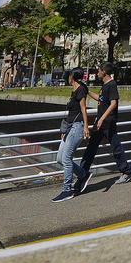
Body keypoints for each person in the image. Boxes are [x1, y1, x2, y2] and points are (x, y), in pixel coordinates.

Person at [76, 62, 131, 191]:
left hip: (108, 122)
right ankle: (82, 174)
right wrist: (87, 91)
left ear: (104, 72)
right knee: (91, 148)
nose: (97, 73)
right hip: (101, 123)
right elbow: (101, 99)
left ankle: (127, 172)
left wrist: (102, 119)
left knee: (116, 148)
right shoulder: (105, 85)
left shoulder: (112, 85)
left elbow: (113, 103)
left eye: (99, 71)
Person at [52, 70, 90, 202]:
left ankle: (67, 190)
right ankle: (83, 175)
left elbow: (84, 109)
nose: (66, 78)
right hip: (69, 127)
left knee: (67, 159)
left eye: (67, 76)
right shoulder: (74, 90)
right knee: (60, 159)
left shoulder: (80, 90)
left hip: (77, 128)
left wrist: (86, 127)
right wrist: (65, 129)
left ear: (72, 77)